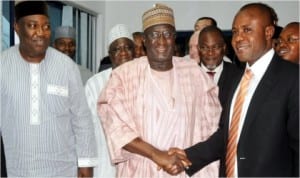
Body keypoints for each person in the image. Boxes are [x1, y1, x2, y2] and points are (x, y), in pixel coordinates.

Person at [170, 2, 299, 177]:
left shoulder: (292, 78)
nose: (238, 38)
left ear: (268, 32)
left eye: (247, 30)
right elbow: (227, 134)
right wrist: (188, 155)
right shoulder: (237, 78)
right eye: (235, 31)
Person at [97, 3, 222, 178]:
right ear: (145, 40)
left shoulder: (194, 73)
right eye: (154, 35)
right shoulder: (124, 76)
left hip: (185, 169)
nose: (161, 41)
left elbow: (212, 124)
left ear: (174, 38)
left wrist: (187, 157)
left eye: (167, 34)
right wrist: (157, 155)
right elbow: (116, 127)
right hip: (141, 170)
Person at [0, 1, 97, 177]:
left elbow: (82, 119)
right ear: (16, 27)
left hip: (63, 170)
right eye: (32, 26)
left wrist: (86, 164)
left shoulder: (66, 66)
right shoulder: (3, 65)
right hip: (18, 169)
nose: (41, 33)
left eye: (46, 26)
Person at [85, 24, 135, 178]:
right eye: (117, 49)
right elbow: (85, 129)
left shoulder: (143, 79)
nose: (123, 53)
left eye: (127, 47)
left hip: (137, 163)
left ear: (135, 51)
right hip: (104, 163)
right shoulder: (94, 84)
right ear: (110, 54)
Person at [198, 25, 243, 107]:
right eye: (205, 47)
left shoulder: (238, 76)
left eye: (215, 47)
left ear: (224, 48)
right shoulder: (188, 75)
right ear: (199, 49)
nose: (210, 53)